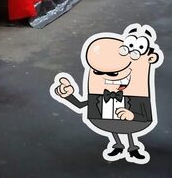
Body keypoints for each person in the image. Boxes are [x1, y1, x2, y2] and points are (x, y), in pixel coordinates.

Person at [50, 24, 163, 165]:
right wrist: (68, 95)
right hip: (106, 120)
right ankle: (118, 145)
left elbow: (144, 116)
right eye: (97, 72)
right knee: (114, 128)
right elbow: (81, 105)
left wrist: (132, 115)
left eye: (113, 73)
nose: (108, 77)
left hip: (131, 122)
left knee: (127, 129)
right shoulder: (99, 94)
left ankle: (132, 147)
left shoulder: (138, 95)